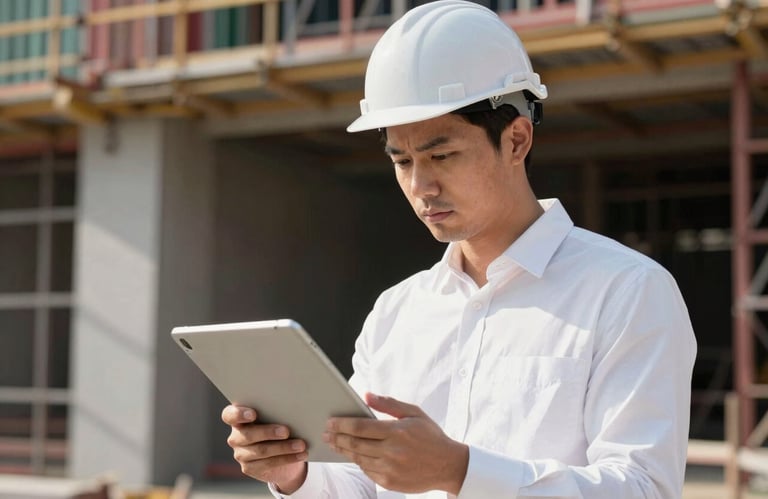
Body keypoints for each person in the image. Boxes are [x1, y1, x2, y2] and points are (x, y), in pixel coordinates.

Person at [221, 1, 697, 497]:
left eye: (442, 155)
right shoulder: (397, 312)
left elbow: (643, 488)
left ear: (516, 140)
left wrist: (461, 472)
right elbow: (359, 484)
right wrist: (294, 475)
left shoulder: (627, 293)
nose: (420, 186)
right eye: (403, 161)